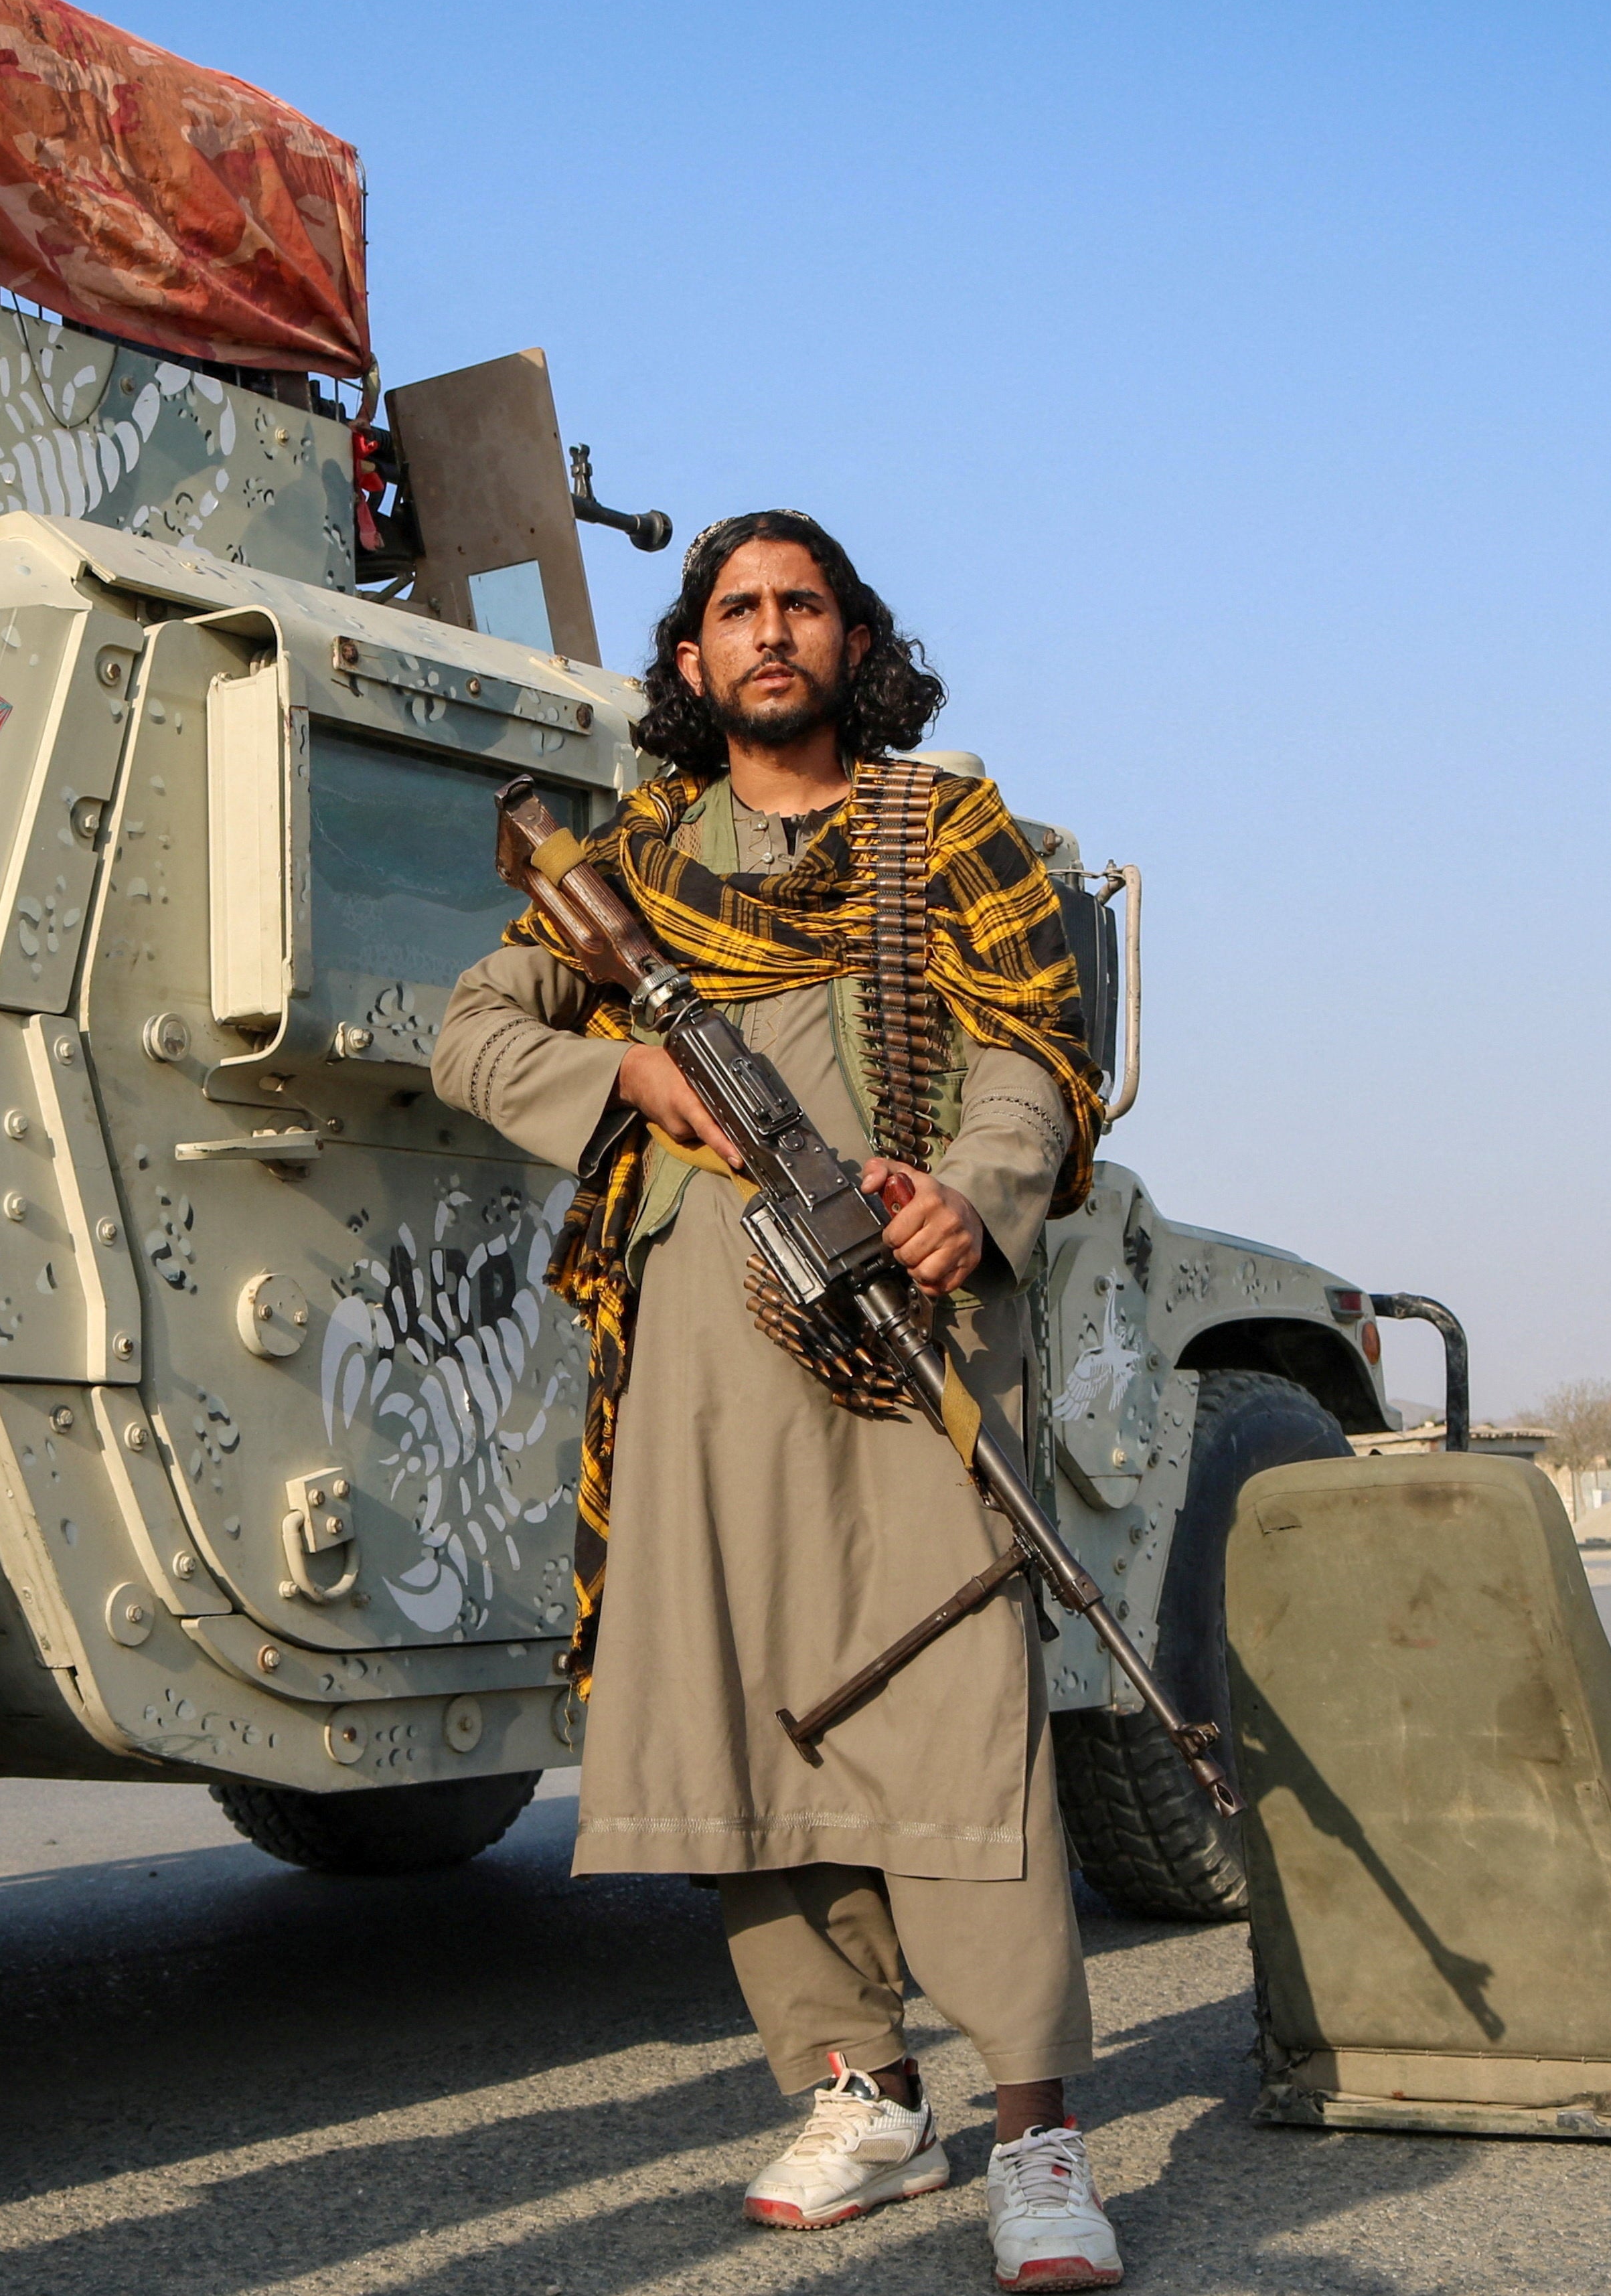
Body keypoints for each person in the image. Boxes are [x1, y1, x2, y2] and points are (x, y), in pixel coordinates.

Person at [433, 513, 1120, 2290]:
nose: (767, 631)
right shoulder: (631, 862)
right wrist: (625, 1064)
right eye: (734, 608)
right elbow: (468, 1033)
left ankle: (1034, 2129)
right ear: (689, 662)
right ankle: (864, 2094)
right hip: (699, 1350)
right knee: (750, 1716)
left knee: (961, 1706)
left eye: (799, 604)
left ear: (851, 640)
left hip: (908, 1326)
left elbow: (1034, 1053)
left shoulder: (936, 828)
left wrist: (972, 1190)